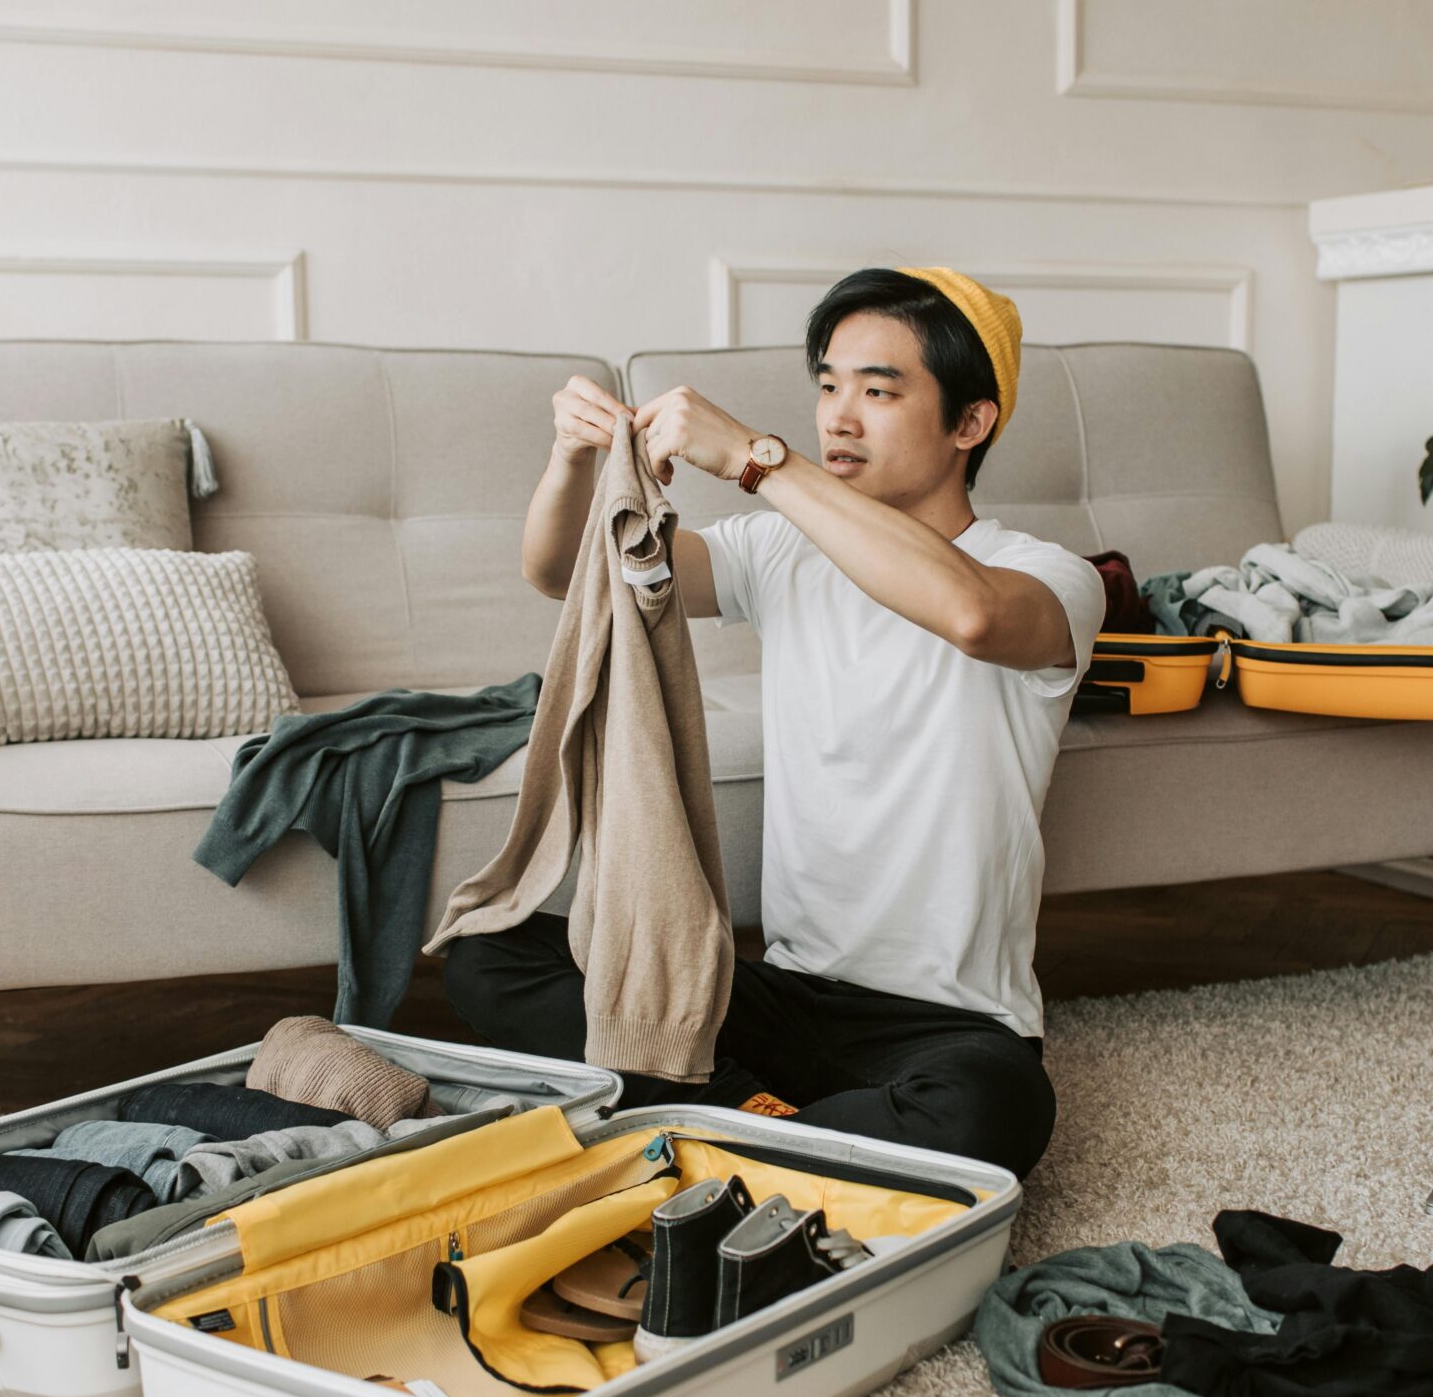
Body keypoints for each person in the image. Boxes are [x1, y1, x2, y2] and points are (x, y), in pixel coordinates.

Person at [441, 267, 1105, 1178]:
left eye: (878, 390)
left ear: (970, 422)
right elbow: (564, 572)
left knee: (995, 1108)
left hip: (948, 1025)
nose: (838, 416)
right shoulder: (779, 551)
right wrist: (571, 461)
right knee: (489, 947)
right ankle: (771, 1127)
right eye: (828, 384)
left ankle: (707, 1120)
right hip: (778, 995)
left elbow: (973, 615)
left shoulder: (1047, 574)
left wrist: (760, 459)